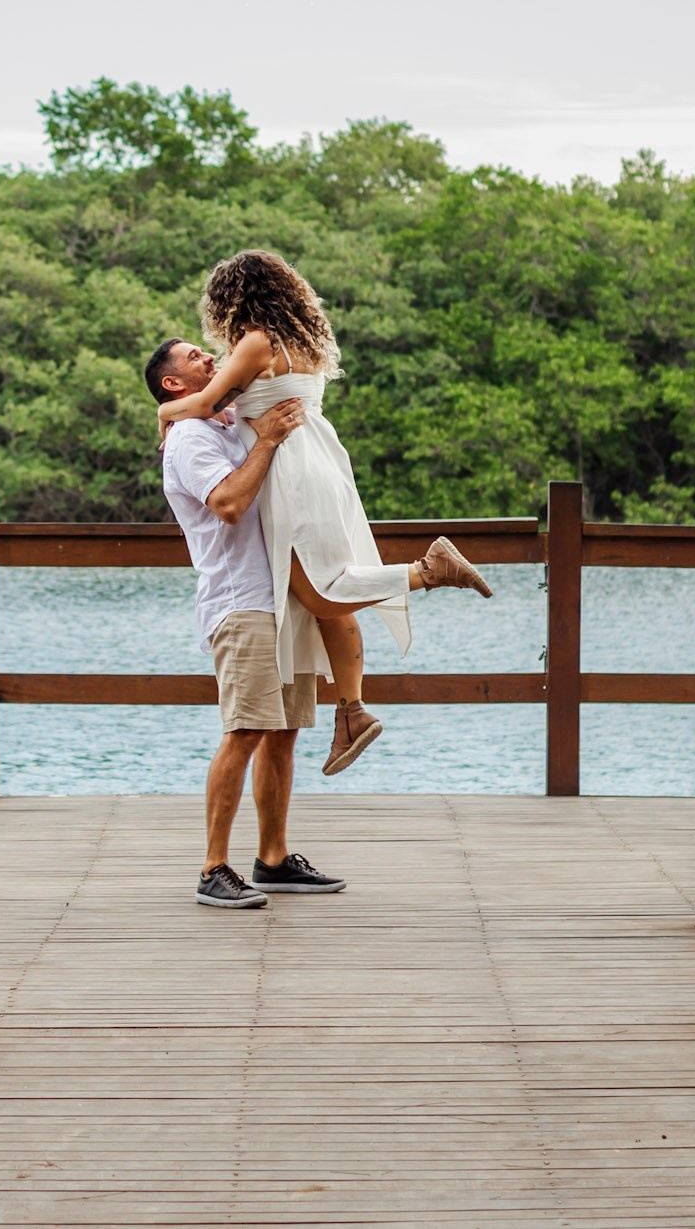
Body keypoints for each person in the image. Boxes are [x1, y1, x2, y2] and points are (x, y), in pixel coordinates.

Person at [154, 250, 492, 776]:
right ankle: (351, 710)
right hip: (319, 459)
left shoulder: (255, 342)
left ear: (232, 298)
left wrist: (163, 410)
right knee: (325, 590)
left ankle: (430, 571)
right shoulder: (298, 338)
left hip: (289, 466)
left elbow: (203, 404)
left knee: (318, 591)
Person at [147, 341, 346, 908]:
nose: (208, 358)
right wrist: (266, 441)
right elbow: (230, 503)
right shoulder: (190, 439)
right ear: (173, 385)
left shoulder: (226, 418)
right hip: (241, 601)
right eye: (192, 358)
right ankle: (213, 867)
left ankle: (274, 860)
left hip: (282, 595)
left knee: (283, 732)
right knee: (245, 731)